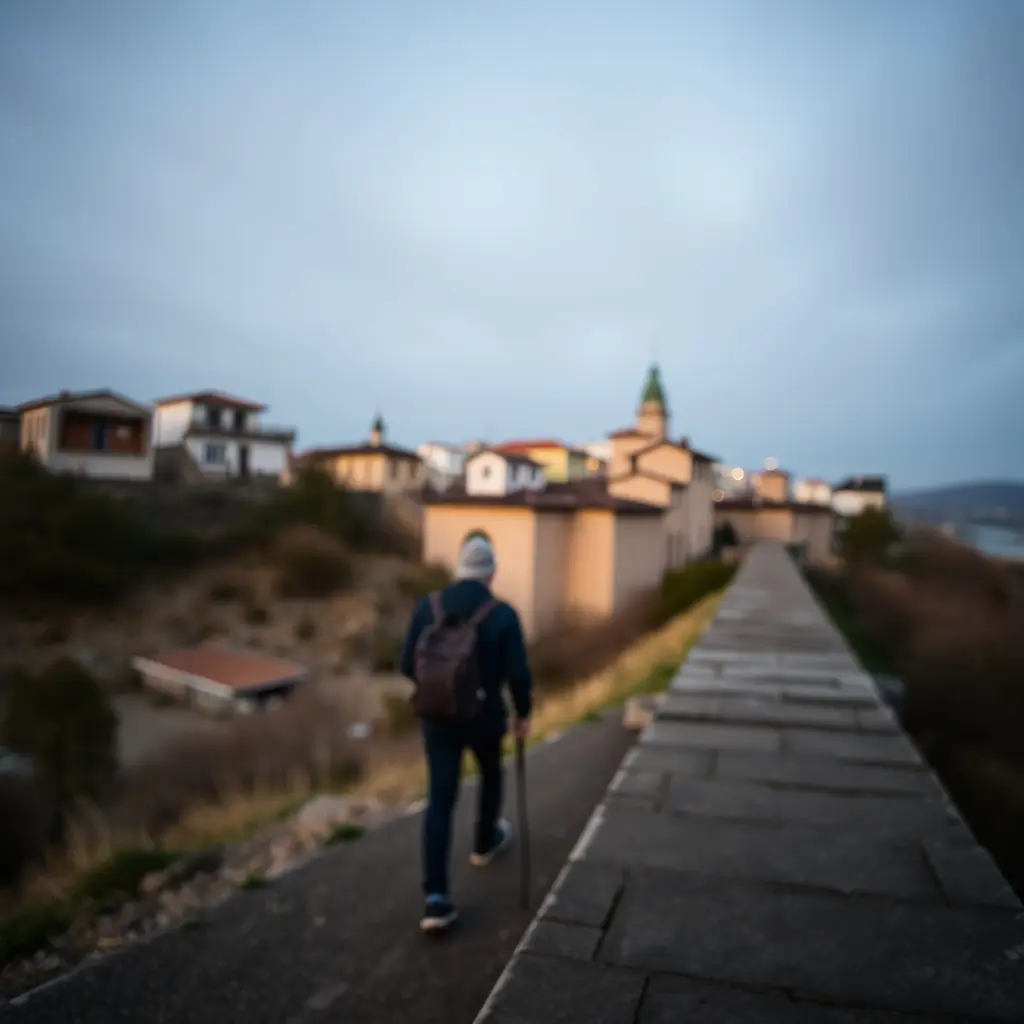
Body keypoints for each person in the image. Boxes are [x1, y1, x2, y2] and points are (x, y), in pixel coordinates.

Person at [399, 534, 533, 933]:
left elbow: (406, 663)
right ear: (491, 573)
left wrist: (440, 688)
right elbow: (519, 674)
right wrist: (522, 714)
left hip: (437, 719)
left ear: (459, 569)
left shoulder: (429, 607)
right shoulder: (503, 614)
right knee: (491, 772)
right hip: (484, 715)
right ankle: (484, 840)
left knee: (440, 800)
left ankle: (436, 900)